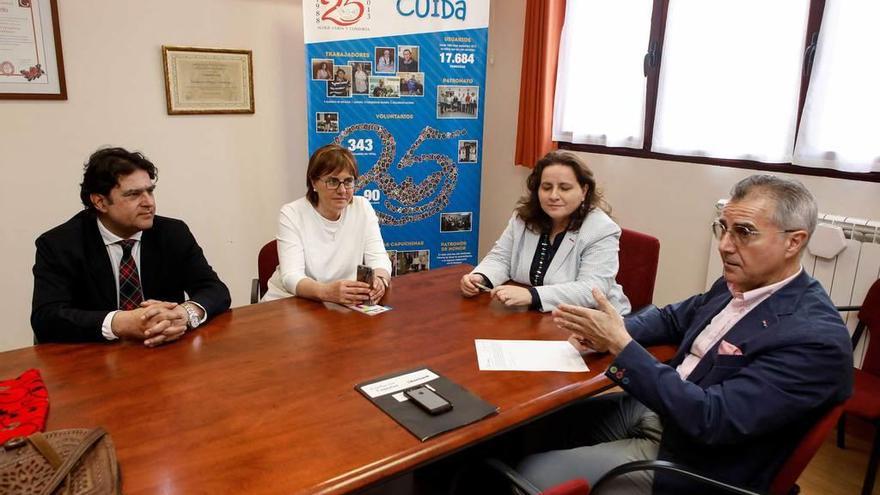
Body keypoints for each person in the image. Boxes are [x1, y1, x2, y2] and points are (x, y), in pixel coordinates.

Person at [516, 175, 853, 494]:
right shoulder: (738, 283)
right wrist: (606, 332)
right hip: (660, 411)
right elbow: (672, 318)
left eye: (744, 232)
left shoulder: (814, 340)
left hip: (695, 460)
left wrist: (620, 343)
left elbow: (711, 419)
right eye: (723, 228)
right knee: (530, 429)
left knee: (527, 476)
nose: (724, 245)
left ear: (794, 242)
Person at [31, 147, 231, 346]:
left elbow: (215, 289)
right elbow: (47, 318)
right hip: (95, 359)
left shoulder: (172, 232)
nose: (149, 203)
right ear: (100, 202)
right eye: (134, 194)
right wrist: (121, 323)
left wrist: (184, 314)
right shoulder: (60, 244)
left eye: (150, 191)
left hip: (166, 352)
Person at [461, 151, 630, 314]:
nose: (553, 195)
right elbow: (501, 258)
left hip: (592, 322)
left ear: (584, 191)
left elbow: (592, 290)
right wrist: (481, 277)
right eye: (546, 187)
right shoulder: (523, 218)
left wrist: (532, 296)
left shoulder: (601, 229)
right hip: (535, 317)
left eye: (564, 188)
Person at [262, 144, 392, 304]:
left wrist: (380, 280)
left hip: (341, 304)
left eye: (348, 181)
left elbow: (379, 257)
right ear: (314, 183)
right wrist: (325, 292)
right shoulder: (292, 213)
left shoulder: (362, 207)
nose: (342, 190)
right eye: (333, 181)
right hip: (291, 302)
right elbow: (291, 276)